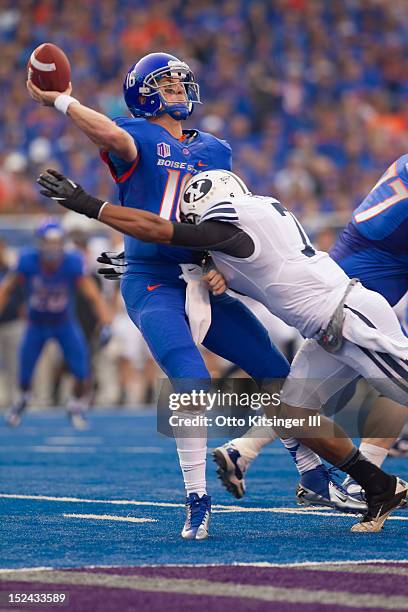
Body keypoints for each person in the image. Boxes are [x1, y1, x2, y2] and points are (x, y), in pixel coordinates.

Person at [36, 167, 408, 533]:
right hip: (327, 326)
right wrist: (147, 264)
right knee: (292, 413)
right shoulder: (257, 218)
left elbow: (164, 232)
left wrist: (89, 205)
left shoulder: (235, 220)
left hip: (348, 319)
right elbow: (225, 264)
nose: (197, 226)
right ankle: (380, 487)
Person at [28, 53, 296, 540]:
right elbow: (111, 136)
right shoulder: (138, 135)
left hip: (201, 277)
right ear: (143, 92)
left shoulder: (217, 150)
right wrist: (62, 101)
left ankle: (314, 472)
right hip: (153, 280)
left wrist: (218, 266)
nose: (175, 87)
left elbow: (226, 221)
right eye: (164, 82)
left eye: (180, 81)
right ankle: (198, 498)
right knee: (191, 378)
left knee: (281, 374)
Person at [214, 154, 408, 504]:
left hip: (357, 274)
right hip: (364, 282)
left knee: (302, 399)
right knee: (389, 382)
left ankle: (245, 448)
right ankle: (357, 481)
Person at [0, 219, 111, 429]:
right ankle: (22, 400)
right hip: (36, 323)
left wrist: (106, 323)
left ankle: (76, 405)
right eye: (48, 242)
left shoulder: (72, 262)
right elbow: (6, 289)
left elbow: (92, 295)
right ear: (40, 243)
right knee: (25, 373)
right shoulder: (27, 261)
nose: (52, 247)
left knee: (81, 371)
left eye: (56, 242)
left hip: (63, 323)